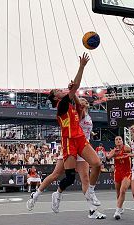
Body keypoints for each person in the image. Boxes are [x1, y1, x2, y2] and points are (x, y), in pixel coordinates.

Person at [28, 54, 104, 218]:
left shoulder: (73, 106)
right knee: (69, 178)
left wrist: (73, 89)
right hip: (69, 142)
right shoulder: (61, 106)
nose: (61, 91)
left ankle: (90, 192)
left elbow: (76, 95)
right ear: (56, 97)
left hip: (81, 140)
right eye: (58, 91)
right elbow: (74, 89)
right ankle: (55, 194)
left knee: (97, 164)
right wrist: (81, 66)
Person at [107, 136, 131, 220]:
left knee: (123, 190)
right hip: (117, 173)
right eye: (116, 139)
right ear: (115, 142)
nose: (118, 141)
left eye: (119, 139)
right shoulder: (114, 151)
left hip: (127, 173)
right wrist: (112, 154)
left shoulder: (126, 148)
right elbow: (108, 157)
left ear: (122, 141)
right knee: (118, 192)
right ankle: (120, 207)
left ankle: (117, 211)